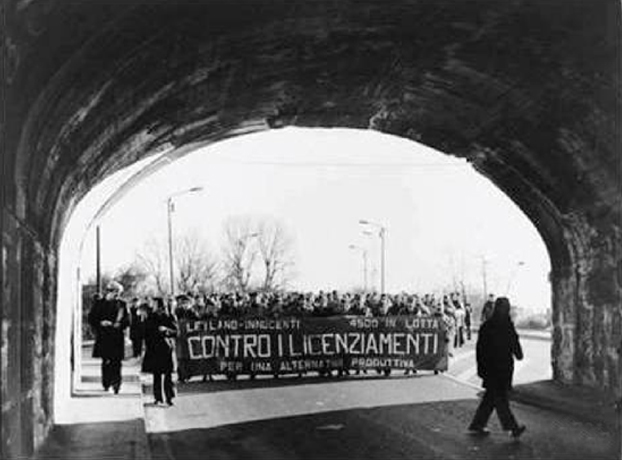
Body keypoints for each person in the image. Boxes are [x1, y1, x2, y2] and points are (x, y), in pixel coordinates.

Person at [468, 297, 526, 438]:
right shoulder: (508, 326)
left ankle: (477, 424)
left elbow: (480, 350)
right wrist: (519, 354)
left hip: (490, 369)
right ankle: (512, 428)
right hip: (503, 369)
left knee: (491, 398)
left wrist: (480, 368)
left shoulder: (487, 326)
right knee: (500, 399)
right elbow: (516, 346)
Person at [87, 281, 130, 393]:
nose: (117, 295)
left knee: (117, 362)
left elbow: (127, 320)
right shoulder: (99, 303)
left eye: (118, 293)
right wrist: (101, 323)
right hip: (104, 336)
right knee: (106, 361)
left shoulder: (122, 304)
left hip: (117, 336)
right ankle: (106, 383)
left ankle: (116, 384)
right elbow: (91, 318)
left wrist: (119, 324)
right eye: (115, 292)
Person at [142, 297, 179, 406]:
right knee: (156, 375)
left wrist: (166, 330)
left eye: (155, 305)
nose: (154, 307)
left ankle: (169, 397)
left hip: (166, 348)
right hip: (154, 348)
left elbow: (176, 332)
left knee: (168, 374)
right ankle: (158, 397)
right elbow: (145, 332)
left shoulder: (169, 316)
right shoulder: (150, 317)